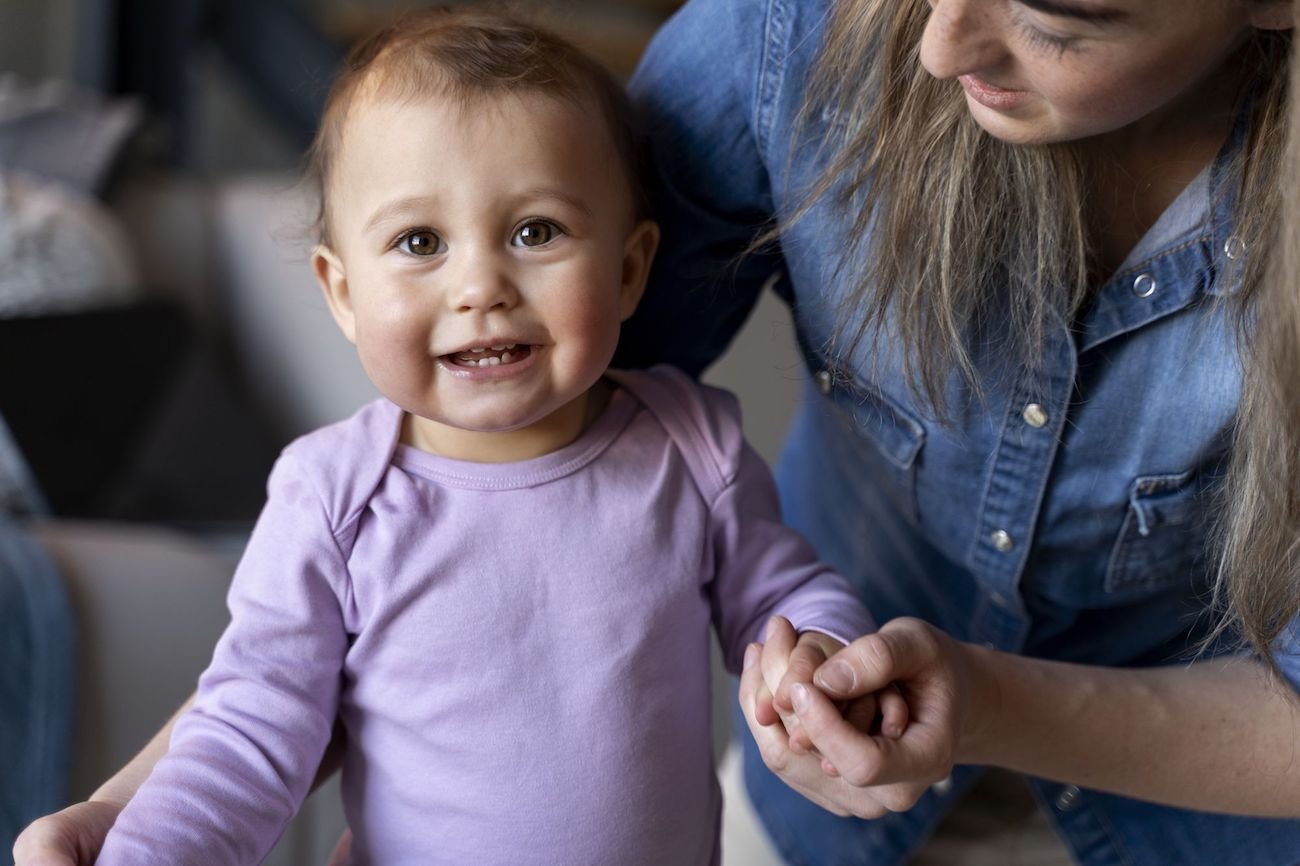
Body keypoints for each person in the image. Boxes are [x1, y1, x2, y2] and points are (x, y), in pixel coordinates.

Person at [22, 9, 905, 866]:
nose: (481, 284)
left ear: (630, 268)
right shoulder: (334, 497)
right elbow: (252, 726)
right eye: (419, 241)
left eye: (535, 231)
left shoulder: (689, 448)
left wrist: (819, 652)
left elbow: (781, 596)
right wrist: (135, 839)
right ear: (341, 292)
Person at [616, 0, 1300, 863]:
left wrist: (987, 706)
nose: (938, 49)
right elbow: (565, 402)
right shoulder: (790, 34)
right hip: (808, 805)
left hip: (1211, 805)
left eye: (1056, 22)